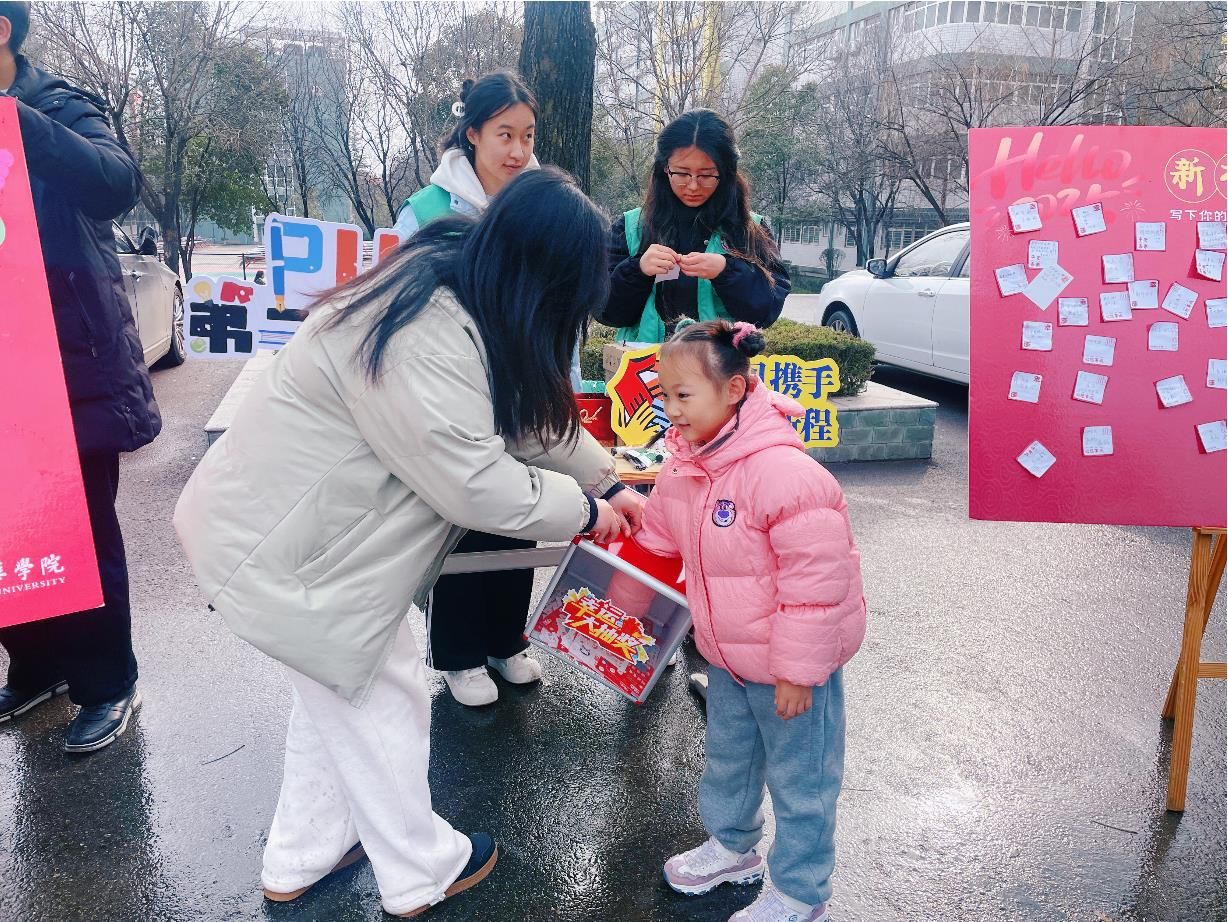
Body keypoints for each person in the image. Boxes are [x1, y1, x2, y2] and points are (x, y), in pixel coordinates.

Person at [173, 169, 642, 917]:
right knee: (380, 695)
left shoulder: (457, 286)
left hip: (300, 542)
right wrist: (585, 511)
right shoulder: (427, 334)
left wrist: (606, 481)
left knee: (334, 698)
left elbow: (516, 413)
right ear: (544, 283)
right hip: (296, 555)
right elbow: (474, 482)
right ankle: (421, 869)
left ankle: (302, 853)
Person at [632, 319, 866, 922]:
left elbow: (817, 587)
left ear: (733, 389)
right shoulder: (683, 468)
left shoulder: (785, 474)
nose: (671, 409)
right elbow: (656, 541)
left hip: (791, 672)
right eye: (665, 394)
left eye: (685, 395)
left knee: (802, 783)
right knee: (728, 762)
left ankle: (801, 892)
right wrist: (607, 523)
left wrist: (798, 672)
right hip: (727, 659)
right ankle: (733, 849)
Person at [395, 72, 606, 707]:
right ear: (472, 133)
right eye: (504, 134)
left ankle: (506, 640)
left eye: (528, 136)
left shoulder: (544, 200)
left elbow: (554, 311)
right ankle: (458, 654)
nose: (518, 150)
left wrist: (563, 397)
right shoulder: (428, 211)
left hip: (523, 386)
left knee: (524, 513)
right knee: (466, 514)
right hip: (456, 384)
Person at [0, 1, 159, 753]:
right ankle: (37, 667)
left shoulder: (57, 106)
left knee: (81, 526)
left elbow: (116, 183)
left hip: (67, 360)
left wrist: (17, 124)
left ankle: (106, 684)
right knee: (9, 525)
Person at [597, 109, 791, 345]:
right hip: (646, 363)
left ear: (726, 173)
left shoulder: (750, 228)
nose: (693, 186)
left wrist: (726, 271)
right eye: (681, 173)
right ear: (664, 168)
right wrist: (637, 269)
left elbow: (766, 312)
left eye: (706, 175)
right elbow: (606, 311)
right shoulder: (630, 227)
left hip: (719, 364)